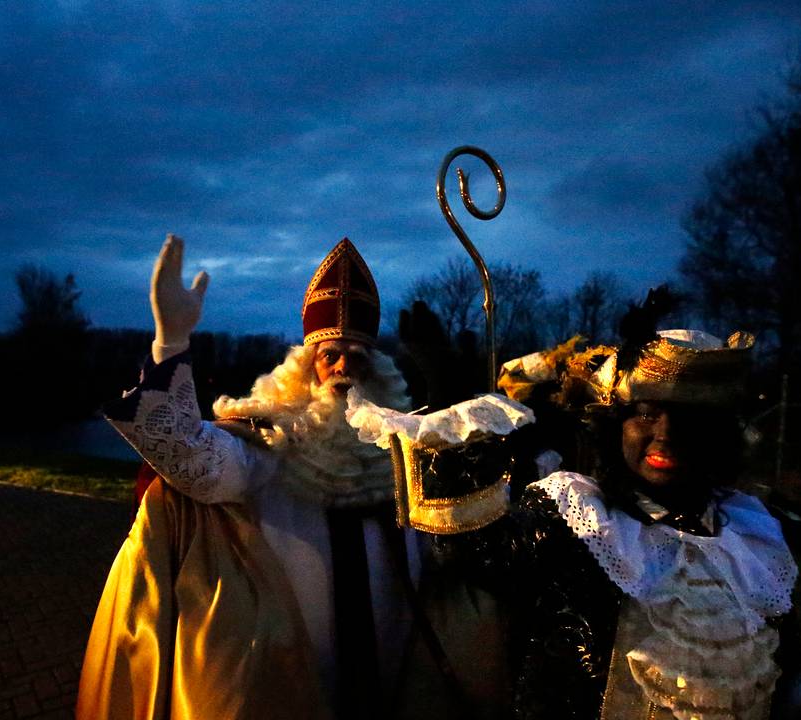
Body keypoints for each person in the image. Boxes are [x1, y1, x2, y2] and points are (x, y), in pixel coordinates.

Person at [77, 235, 504, 720]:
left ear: (375, 372)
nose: (344, 367)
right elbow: (190, 457)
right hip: (292, 679)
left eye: (358, 357)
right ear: (305, 369)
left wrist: (451, 385)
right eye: (330, 355)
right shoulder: (269, 444)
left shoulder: (403, 448)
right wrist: (171, 343)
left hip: (393, 668)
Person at [354, 310, 801, 719]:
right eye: (645, 414)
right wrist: (449, 401)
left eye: (688, 420)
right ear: (616, 426)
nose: (665, 434)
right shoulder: (577, 519)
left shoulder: (754, 534)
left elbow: (781, 670)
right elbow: (470, 549)